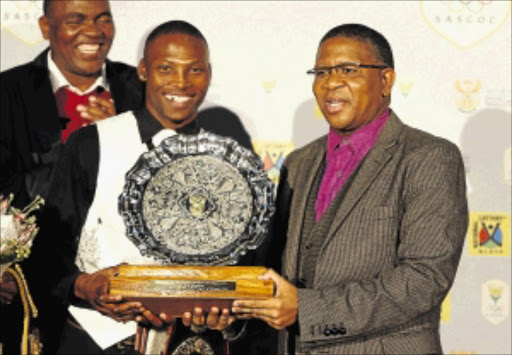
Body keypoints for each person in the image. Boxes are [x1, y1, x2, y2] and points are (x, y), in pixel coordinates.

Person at [24, 20, 267, 355]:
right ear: (143, 70)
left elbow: (245, 268)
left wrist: (228, 314)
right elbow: (46, 252)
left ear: (209, 74)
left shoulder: (228, 159)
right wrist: (83, 286)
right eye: (166, 68)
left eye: (194, 69)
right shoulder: (92, 144)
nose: (181, 82)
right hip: (97, 342)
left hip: (193, 344)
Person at [233, 23, 468, 354]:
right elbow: (277, 272)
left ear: (385, 80)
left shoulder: (428, 157)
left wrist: (307, 309)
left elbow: (424, 280)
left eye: (347, 69)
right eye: (321, 72)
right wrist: (234, 308)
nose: (330, 82)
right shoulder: (300, 162)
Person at [0, 0, 143, 352]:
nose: (93, 31)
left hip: (125, 309)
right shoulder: (6, 93)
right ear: (46, 28)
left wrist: (121, 138)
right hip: (26, 299)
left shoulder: (143, 89)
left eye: (103, 19)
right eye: (76, 20)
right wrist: (94, 148)